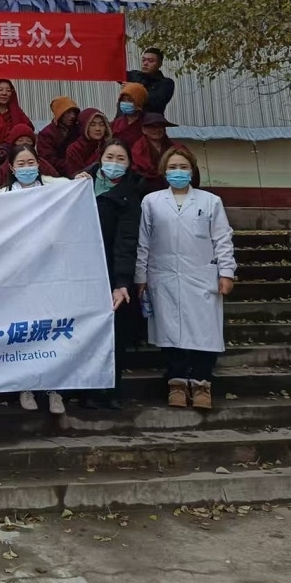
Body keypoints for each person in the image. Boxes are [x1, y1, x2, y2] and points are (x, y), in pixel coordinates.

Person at [135, 146, 236, 410]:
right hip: (163, 275)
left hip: (202, 276)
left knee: (205, 331)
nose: (177, 172)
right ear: (163, 171)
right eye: (172, 167)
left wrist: (226, 272)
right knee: (170, 331)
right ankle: (177, 384)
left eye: (183, 167)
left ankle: (202, 383)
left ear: (192, 171)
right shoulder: (151, 202)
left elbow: (222, 239)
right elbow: (143, 243)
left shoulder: (210, 201)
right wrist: (140, 276)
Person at [0, 144, 69, 416]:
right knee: (22, 331)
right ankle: (25, 385)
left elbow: (74, 194)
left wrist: (83, 180)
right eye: (21, 163)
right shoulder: (1, 196)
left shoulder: (55, 191)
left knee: (50, 329)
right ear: (11, 167)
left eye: (31, 162)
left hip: (51, 272)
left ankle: (54, 388)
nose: (27, 168)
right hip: (17, 276)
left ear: (39, 164)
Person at [76, 138, 145, 409]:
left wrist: (122, 281)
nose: (114, 163)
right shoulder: (80, 185)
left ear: (129, 164)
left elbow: (127, 241)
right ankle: (85, 391)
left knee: (114, 333)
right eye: (109, 157)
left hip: (112, 272)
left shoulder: (130, 194)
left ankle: (111, 390)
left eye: (121, 159)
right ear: (100, 158)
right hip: (81, 272)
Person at [0, 78, 34, 167]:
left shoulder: (18, 114)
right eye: (0, 90)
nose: (4, 93)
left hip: (16, 160)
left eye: (8, 90)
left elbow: (28, 133)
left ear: (12, 94)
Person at [0, 123, 60, 187]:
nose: (24, 143)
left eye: (28, 141)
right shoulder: (4, 169)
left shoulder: (44, 165)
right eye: (20, 140)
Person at [36, 96, 81, 176]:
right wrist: (72, 167)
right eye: (68, 112)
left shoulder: (79, 130)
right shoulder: (46, 134)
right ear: (59, 113)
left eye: (74, 113)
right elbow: (48, 159)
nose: (72, 116)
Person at [131, 112, 176, 191]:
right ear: (144, 130)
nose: (156, 130)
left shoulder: (173, 146)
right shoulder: (138, 148)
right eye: (152, 127)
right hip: (146, 187)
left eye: (160, 126)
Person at [127, 47, 175, 115]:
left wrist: (134, 89)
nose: (145, 63)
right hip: (124, 120)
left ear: (159, 64)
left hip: (150, 120)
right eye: (143, 60)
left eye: (150, 61)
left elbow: (156, 102)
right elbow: (114, 71)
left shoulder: (166, 83)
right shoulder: (134, 75)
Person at [65, 108, 112, 177]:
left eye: (101, 124)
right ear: (84, 127)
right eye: (92, 125)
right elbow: (73, 174)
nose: (98, 129)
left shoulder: (110, 146)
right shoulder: (74, 149)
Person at [110, 82, 149, 149]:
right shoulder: (115, 124)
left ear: (139, 103)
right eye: (123, 100)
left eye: (130, 100)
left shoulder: (148, 123)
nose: (125, 103)